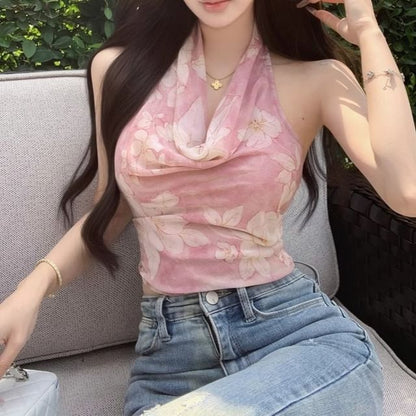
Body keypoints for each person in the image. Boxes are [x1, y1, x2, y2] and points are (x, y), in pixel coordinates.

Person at [1, 0, 415, 414]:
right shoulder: (119, 71)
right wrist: (29, 292)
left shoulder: (316, 79)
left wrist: (368, 31)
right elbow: (110, 212)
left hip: (298, 336)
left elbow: (407, 191)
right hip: (171, 360)